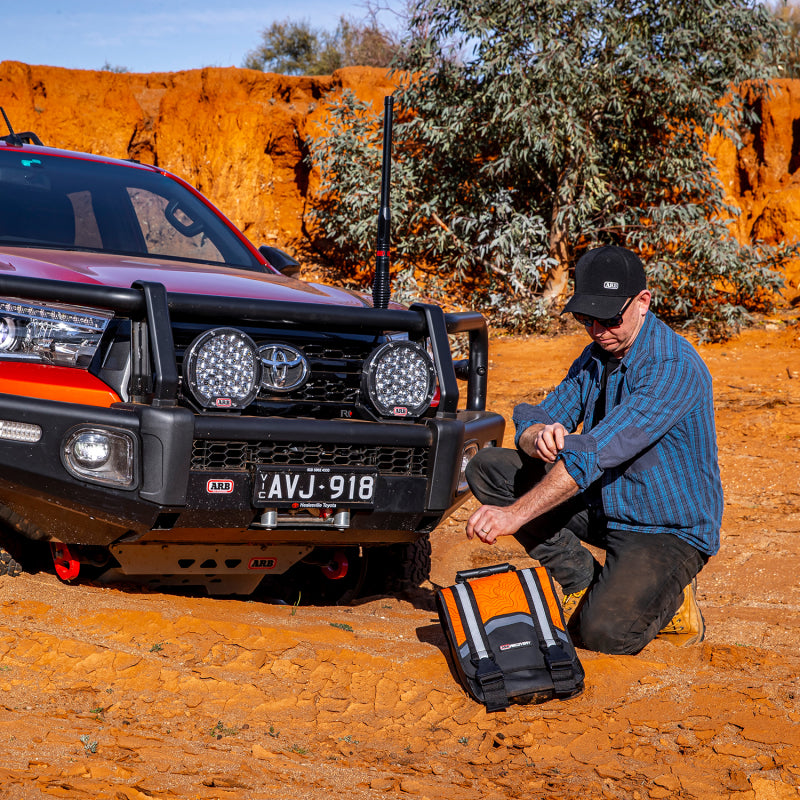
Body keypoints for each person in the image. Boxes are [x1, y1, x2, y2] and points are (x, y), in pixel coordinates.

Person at [465, 245, 722, 655]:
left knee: (603, 634)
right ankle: (583, 582)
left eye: (609, 318)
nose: (598, 329)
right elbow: (542, 412)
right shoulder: (597, 355)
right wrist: (535, 435)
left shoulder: (671, 367)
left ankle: (672, 602)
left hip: (664, 529)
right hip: (607, 503)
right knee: (489, 468)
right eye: (587, 319)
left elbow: (593, 454)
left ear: (642, 302)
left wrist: (513, 516)